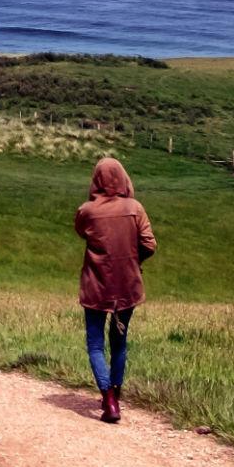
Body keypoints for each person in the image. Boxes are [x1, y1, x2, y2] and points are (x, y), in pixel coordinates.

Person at [75, 155, 156, 424]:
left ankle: (108, 399)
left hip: (96, 285)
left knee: (95, 344)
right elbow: (149, 244)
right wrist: (134, 260)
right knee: (119, 342)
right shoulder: (136, 208)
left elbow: (82, 232)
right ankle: (116, 394)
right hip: (127, 285)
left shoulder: (87, 211)